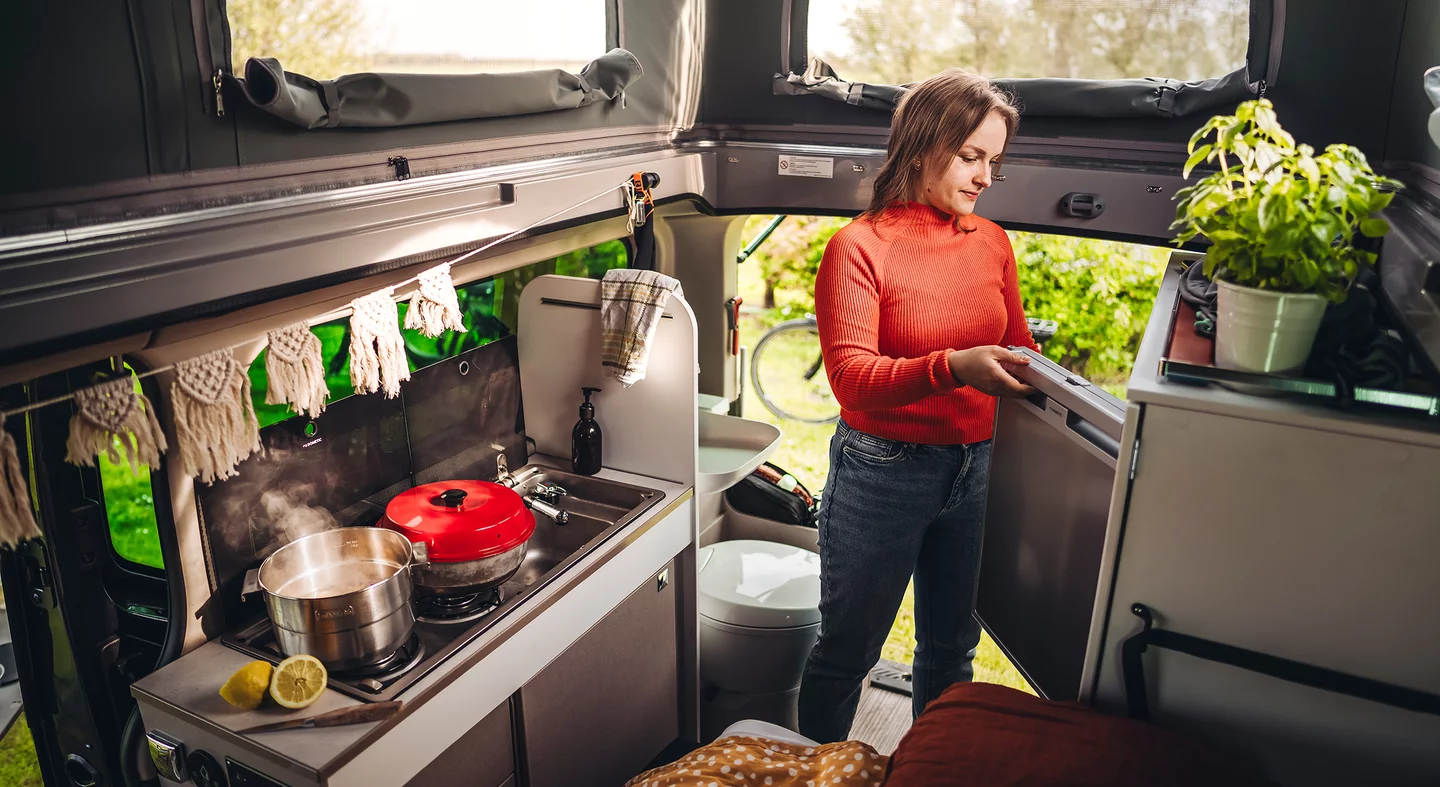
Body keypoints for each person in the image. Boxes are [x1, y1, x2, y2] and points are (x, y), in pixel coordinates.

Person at [798, 68, 1039, 743]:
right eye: (971, 156)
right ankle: (818, 767)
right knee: (848, 652)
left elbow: (1016, 344)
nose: (986, 176)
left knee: (952, 649)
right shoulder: (858, 248)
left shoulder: (991, 241)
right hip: (882, 470)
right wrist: (952, 367)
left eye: (994, 160)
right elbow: (851, 379)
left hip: (978, 466)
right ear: (921, 146)